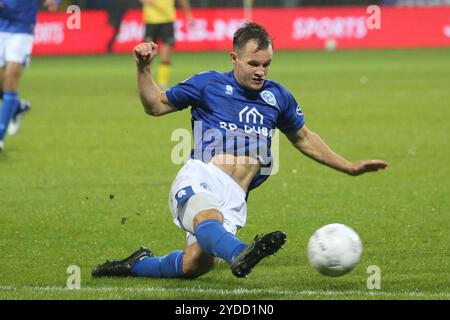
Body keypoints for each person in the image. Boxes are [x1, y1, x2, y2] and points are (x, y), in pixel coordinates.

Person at [92, 22, 389, 279]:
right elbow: (155, 105)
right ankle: (241, 253)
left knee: (195, 265)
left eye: (266, 64)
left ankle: (137, 263)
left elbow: (304, 138)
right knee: (208, 220)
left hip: (235, 197)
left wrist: (349, 167)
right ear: (234, 58)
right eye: (253, 64)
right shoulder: (209, 84)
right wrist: (143, 67)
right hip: (202, 176)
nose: (261, 71)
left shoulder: (277, 97)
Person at [0, 0, 60, 152]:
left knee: (11, 76)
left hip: (22, 25)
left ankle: (0, 136)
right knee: (2, 84)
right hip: (1, 24)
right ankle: (17, 107)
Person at [139, 0, 194, 90]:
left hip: (167, 21)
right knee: (147, 56)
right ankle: (146, 84)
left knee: (166, 56)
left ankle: (162, 84)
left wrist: (189, 15)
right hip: (150, 21)